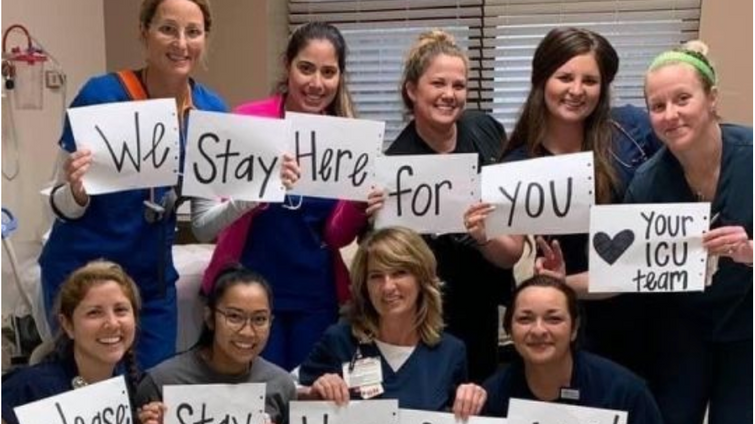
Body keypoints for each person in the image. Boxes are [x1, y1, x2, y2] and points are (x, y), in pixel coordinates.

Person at [37, 0, 227, 369]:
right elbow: (59, 201)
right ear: (144, 31)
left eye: (193, 32)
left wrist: (252, 196)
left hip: (151, 281)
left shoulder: (211, 112)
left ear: (205, 37)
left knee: (151, 392)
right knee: (86, 391)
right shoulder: (102, 95)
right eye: (167, 29)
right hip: (83, 274)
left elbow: (203, 224)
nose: (181, 43)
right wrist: (76, 191)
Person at [194, 21, 367, 371]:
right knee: (254, 396)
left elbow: (334, 235)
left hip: (314, 294)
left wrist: (360, 200)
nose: (316, 83)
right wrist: (261, 187)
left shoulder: (345, 137)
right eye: (306, 68)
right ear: (287, 65)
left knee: (308, 395)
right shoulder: (248, 120)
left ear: (340, 77)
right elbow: (205, 225)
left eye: (328, 72)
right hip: (248, 289)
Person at [493, 27, 661, 376]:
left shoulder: (633, 129)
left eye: (590, 80)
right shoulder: (519, 165)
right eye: (565, 77)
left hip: (650, 311)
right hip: (574, 322)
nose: (576, 90)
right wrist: (482, 230)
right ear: (542, 80)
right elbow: (508, 250)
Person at [368, 29, 521, 383]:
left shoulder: (486, 130)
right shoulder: (394, 167)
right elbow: (385, 266)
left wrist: (485, 235)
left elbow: (511, 251)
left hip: (483, 304)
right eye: (438, 83)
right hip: (428, 316)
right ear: (412, 90)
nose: (450, 95)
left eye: (459, 85)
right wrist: (375, 220)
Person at [624, 40, 753, 424]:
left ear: (711, 98)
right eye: (657, 106)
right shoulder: (646, 185)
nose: (670, 115)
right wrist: (563, 281)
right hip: (681, 330)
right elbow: (624, 266)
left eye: (683, 99)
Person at [297, 226, 486, 418]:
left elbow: (458, 413)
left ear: (422, 278)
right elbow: (286, 393)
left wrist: (472, 399)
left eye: (399, 273)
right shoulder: (339, 340)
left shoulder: (451, 352)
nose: (388, 287)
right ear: (364, 286)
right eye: (376, 276)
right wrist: (312, 392)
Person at [482, 275, 663, 424]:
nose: (538, 330)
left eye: (553, 319)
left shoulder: (624, 393)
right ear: (509, 330)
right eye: (525, 319)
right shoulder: (492, 396)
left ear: (574, 328)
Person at [136, 265, 296, 424]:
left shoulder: (281, 385)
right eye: (234, 316)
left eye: (259, 319)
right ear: (210, 317)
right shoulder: (160, 382)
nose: (247, 332)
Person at [2, 261, 141, 424]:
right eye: (94, 313)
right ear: (67, 325)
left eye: (120, 310)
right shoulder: (28, 388)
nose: (112, 323)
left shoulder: (132, 387)